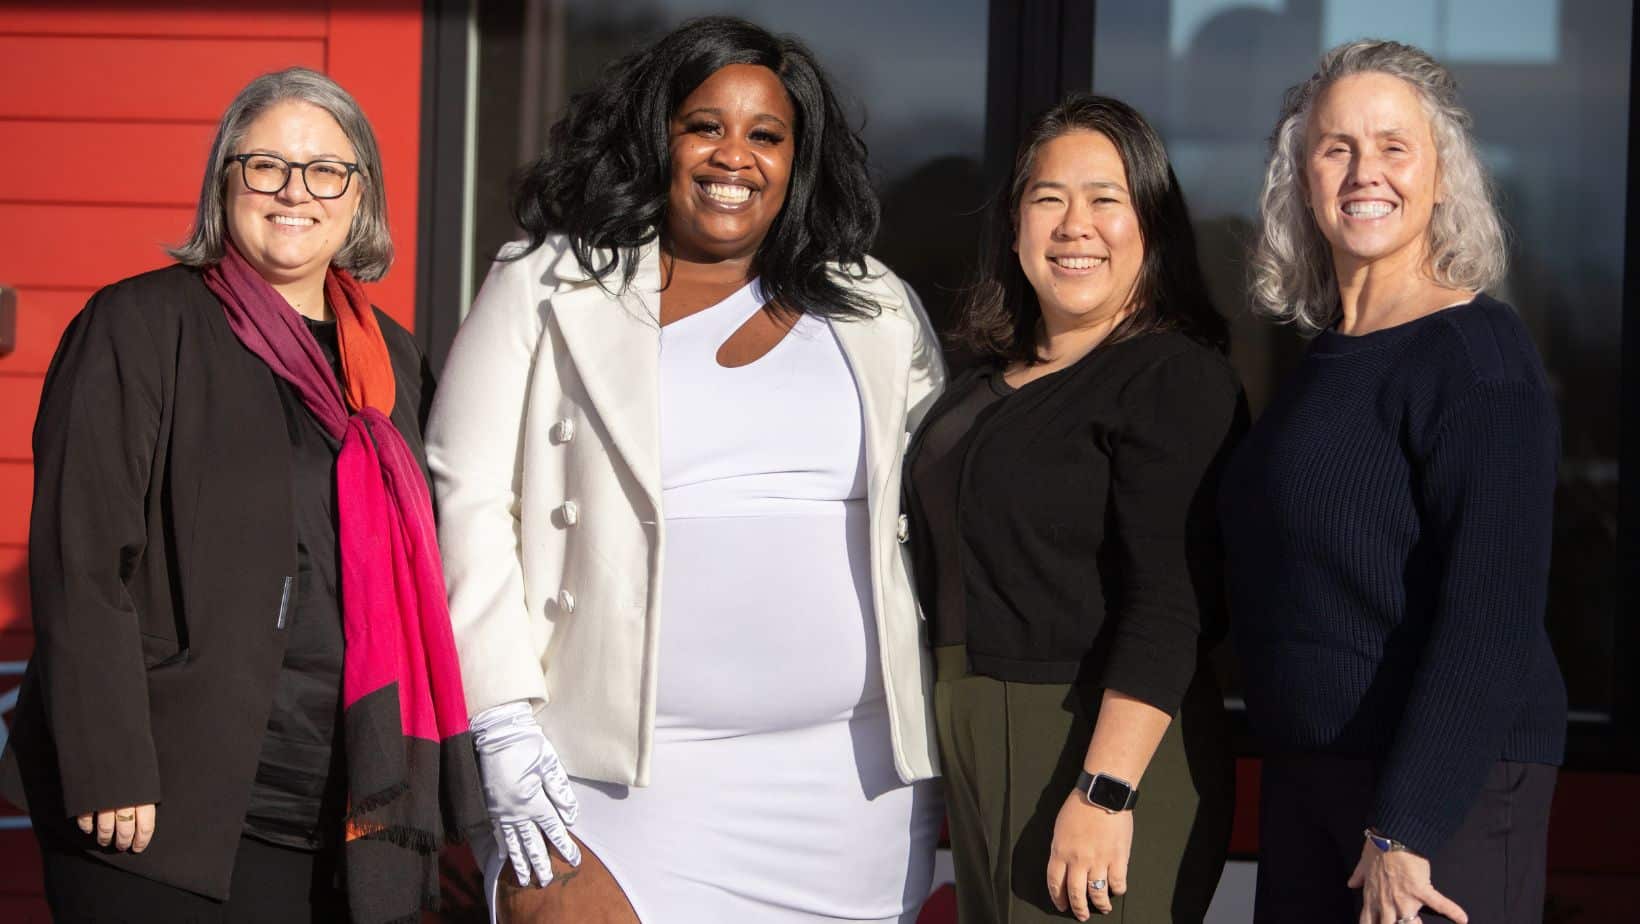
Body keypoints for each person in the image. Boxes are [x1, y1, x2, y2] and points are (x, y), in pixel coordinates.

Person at [427, 16, 946, 924]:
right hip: (607, 786)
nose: (733, 156)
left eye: (766, 135)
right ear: (657, 136)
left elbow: (944, 505)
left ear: (799, 158)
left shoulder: (876, 307)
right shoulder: (545, 285)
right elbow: (465, 499)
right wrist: (499, 726)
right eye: (705, 125)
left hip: (849, 789)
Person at [0, 68, 487, 923]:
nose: (294, 191)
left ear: (358, 196)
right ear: (226, 182)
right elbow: (83, 559)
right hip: (163, 811)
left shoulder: (395, 366)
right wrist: (107, 763)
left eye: (324, 169)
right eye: (265, 165)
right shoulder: (143, 326)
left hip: (341, 809)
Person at [1221, 39, 1567, 924]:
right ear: (1301, 179)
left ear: (1442, 175)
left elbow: (1491, 617)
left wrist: (1404, 827)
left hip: (1434, 796)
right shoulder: (1329, 359)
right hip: (1314, 777)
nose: (1363, 171)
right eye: (1336, 148)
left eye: (1393, 147)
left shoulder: (1477, 358)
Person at [905, 94, 1240, 923]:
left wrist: (1104, 792)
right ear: (1015, 226)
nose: (1073, 224)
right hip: (972, 733)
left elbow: (1173, 602)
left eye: (1106, 199)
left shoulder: (1173, 378)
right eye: (1048, 198)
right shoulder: (983, 385)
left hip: (1091, 745)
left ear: (1151, 225)